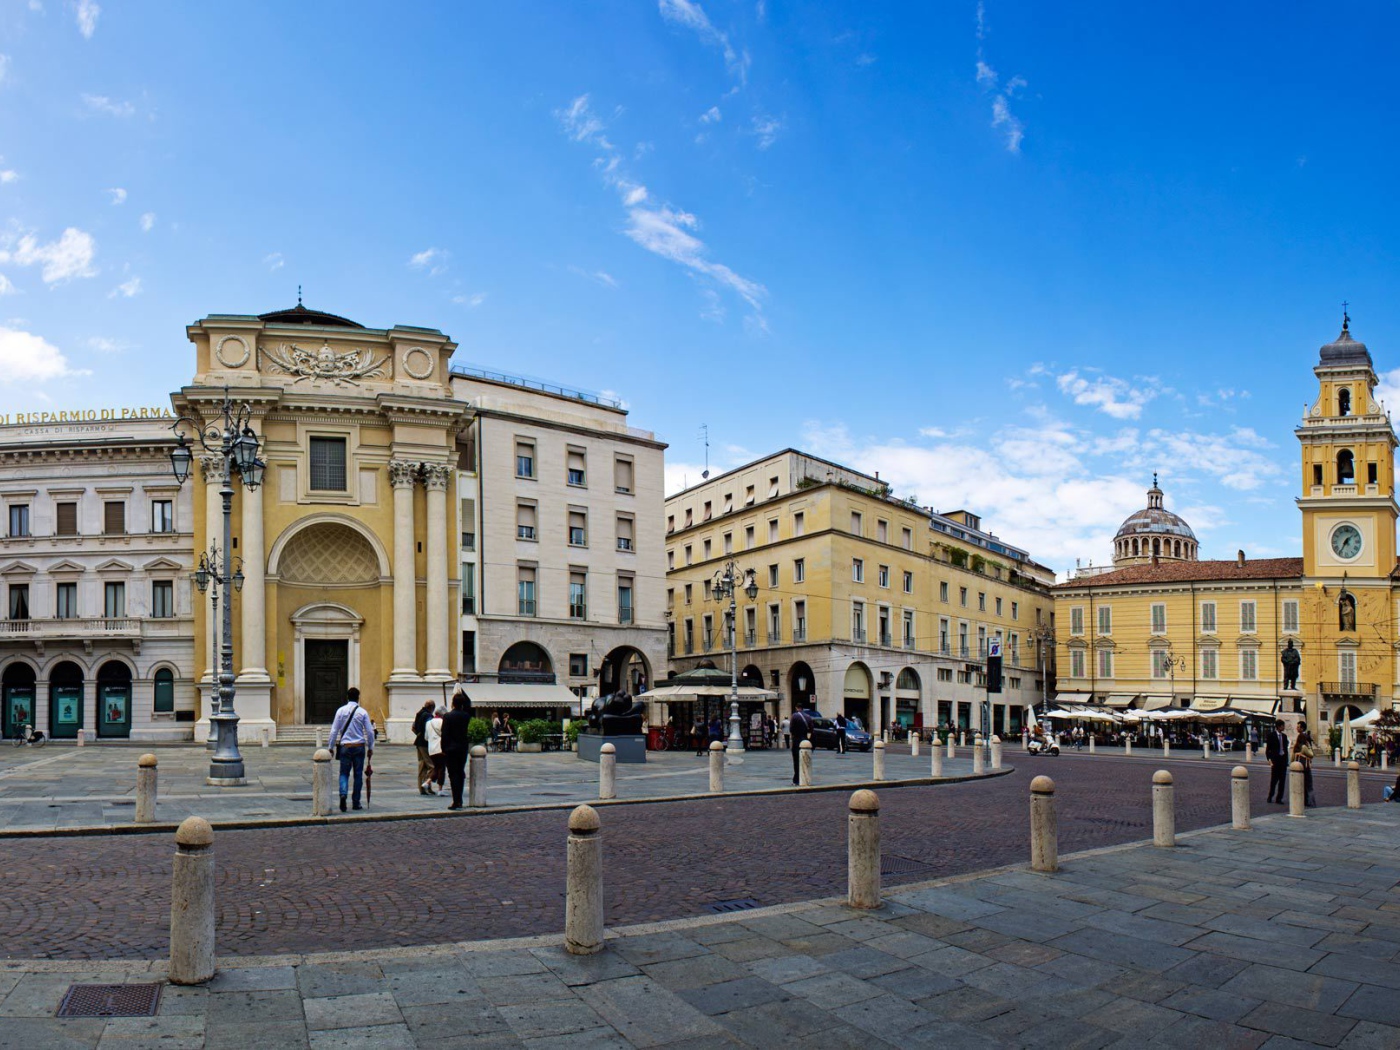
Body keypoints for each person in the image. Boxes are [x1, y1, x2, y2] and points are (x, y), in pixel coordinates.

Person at [328, 687, 374, 812]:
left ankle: (343, 794)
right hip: (359, 747)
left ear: (347, 697)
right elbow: (369, 732)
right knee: (358, 775)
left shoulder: (340, 711)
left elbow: (334, 731)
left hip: (345, 747)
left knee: (344, 773)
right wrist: (371, 747)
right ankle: (356, 802)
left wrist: (330, 747)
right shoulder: (362, 712)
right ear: (358, 698)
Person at [441, 691, 472, 809]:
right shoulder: (466, 716)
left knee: (452, 774)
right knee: (460, 773)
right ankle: (460, 799)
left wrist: (443, 748)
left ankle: (456, 800)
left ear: (453, 703)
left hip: (450, 749)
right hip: (462, 748)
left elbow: (445, 734)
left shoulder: (448, 716)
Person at [412, 698, 436, 796]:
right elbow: (429, 730)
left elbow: (413, 727)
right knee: (431, 766)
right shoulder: (428, 716)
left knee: (422, 765)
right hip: (425, 743)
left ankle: (422, 788)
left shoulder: (419, 714)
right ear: (432, 707)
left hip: (418, 742)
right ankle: (427, 785)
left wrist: (418, 734)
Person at [1265, 719, 1289, 804]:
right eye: (1283, 726)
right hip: (1275, 761)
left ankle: (1279, 798)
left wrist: (1286, 761)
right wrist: (1269, 760)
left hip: (1283, 761)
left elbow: (1285, 749)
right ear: (1279, 726)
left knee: (1282, 781)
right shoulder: (1271, 736)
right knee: (1274, 781)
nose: (1284, 727)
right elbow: (1268, 749)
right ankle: (1270, 796)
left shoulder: (1285, 736)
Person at [1294, 721, 1317, 807]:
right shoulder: (1307, 736)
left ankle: (1307, 801)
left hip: (1302, 761)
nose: (1297, 728)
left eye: (1298, 727)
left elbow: (1298, 749)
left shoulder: (1301, 736)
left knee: (1304, 782)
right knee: (1308, 782)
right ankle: (1309, 800)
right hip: (1307, 762)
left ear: (1302, 728)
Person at [789, 702, 813, 784]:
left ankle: (796, 779)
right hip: (805, 740)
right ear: (802, 708)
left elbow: (791, 729)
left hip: (796, 740)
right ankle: (805, 777)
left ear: (796, 708)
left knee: (796, 761)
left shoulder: (794, 716)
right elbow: (811, 730)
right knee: (806, 760)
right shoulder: (808, 717)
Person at [426, 705, 445, 794]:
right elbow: (445, 735)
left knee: (436, 767)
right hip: (440, 748)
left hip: (431, 749)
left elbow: (426, 737)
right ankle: (440, 789)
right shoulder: (443, 722)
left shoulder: (428, 723)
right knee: (441, 768)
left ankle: (427, 782)